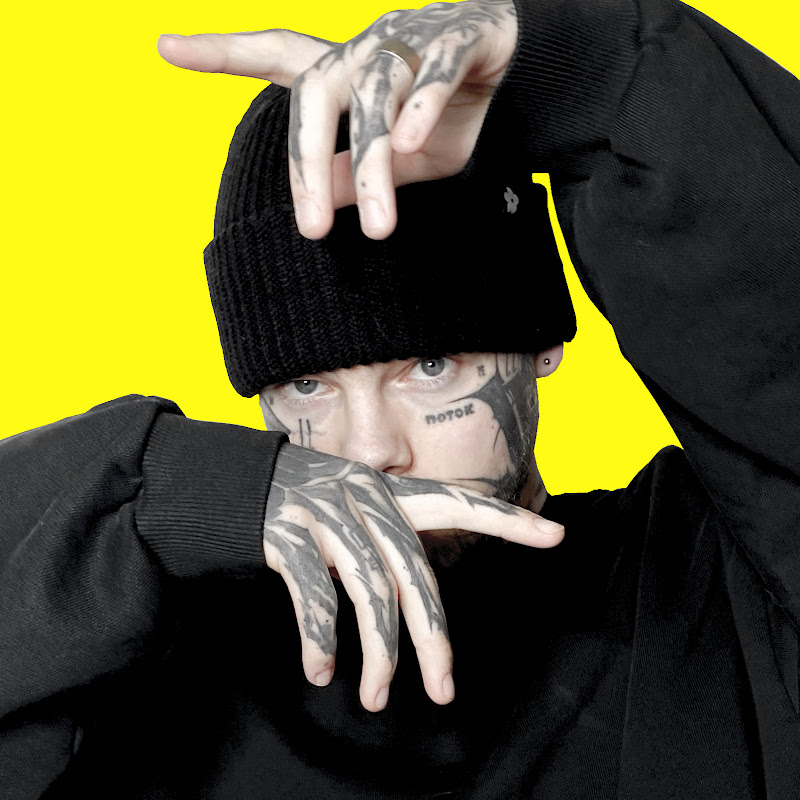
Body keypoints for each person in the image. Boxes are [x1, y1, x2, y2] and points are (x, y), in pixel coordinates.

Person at [2, 0, 798, 798]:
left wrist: (590, 70)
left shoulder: (715, 586)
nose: (371, 450)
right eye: (308, 383)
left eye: (429, 366)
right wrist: (163, 493)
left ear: (539, 343)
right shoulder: (155, 658)